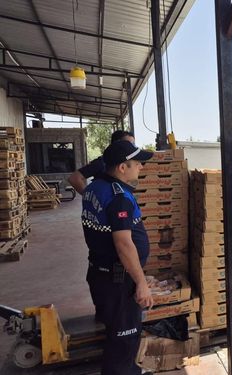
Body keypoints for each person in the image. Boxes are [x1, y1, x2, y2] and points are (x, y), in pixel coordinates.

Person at [81, 140, 154, 374]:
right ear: (123, 167)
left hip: (100, 273)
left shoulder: (94, 187)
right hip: (117, 280)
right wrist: (141, 282)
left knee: (115, 331)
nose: (141, 167)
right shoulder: (118, 197)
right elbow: (123, 244)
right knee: (124, 338)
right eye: (137, 163)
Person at [68, 130, 135, 194]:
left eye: (133, 145)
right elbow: (74, 178)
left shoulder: (129, 163)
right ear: (116, 144)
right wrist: (89, 195)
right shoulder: (102, 162)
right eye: (128, 144)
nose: (132, 148)